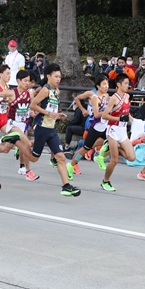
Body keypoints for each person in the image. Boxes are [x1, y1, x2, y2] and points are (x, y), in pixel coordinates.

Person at [29, 64, 80, 196]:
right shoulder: (45, 90)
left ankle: (66, 186)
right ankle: (19, 144)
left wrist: (58, 114)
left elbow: (53, 108)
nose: (58, 79)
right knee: (34, 158)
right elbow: (33, 104)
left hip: (51, 130)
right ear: (48, 76)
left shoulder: (57, 90)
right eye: (56, 76)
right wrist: (47, 113)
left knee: (61, 157)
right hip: (42, 128)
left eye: (59, 77)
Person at [98, 75, 136, 191]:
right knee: (114, 160)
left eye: (128, 83)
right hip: (113, 130)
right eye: (125, 83)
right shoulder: (114, 98)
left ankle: (111, 147)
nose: (127, 85)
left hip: (123, 131)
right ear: (118, 85)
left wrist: (134, 121)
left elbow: (126, 113)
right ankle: (106, 181)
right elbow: (104, 115)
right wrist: (119, 119)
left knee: (131, 157)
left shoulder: (127, 96)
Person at [70, 74, 110, 174]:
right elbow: (77, 99)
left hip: (105, 125)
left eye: (107, 84)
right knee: (85, 148)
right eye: (104, 84)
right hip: (93, 123)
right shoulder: (91, 94)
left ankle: (98, 156)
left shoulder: (106, 96)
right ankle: (74, 164)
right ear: (98, 85)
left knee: (113, 142)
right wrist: (83, 109)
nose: (106, 86)